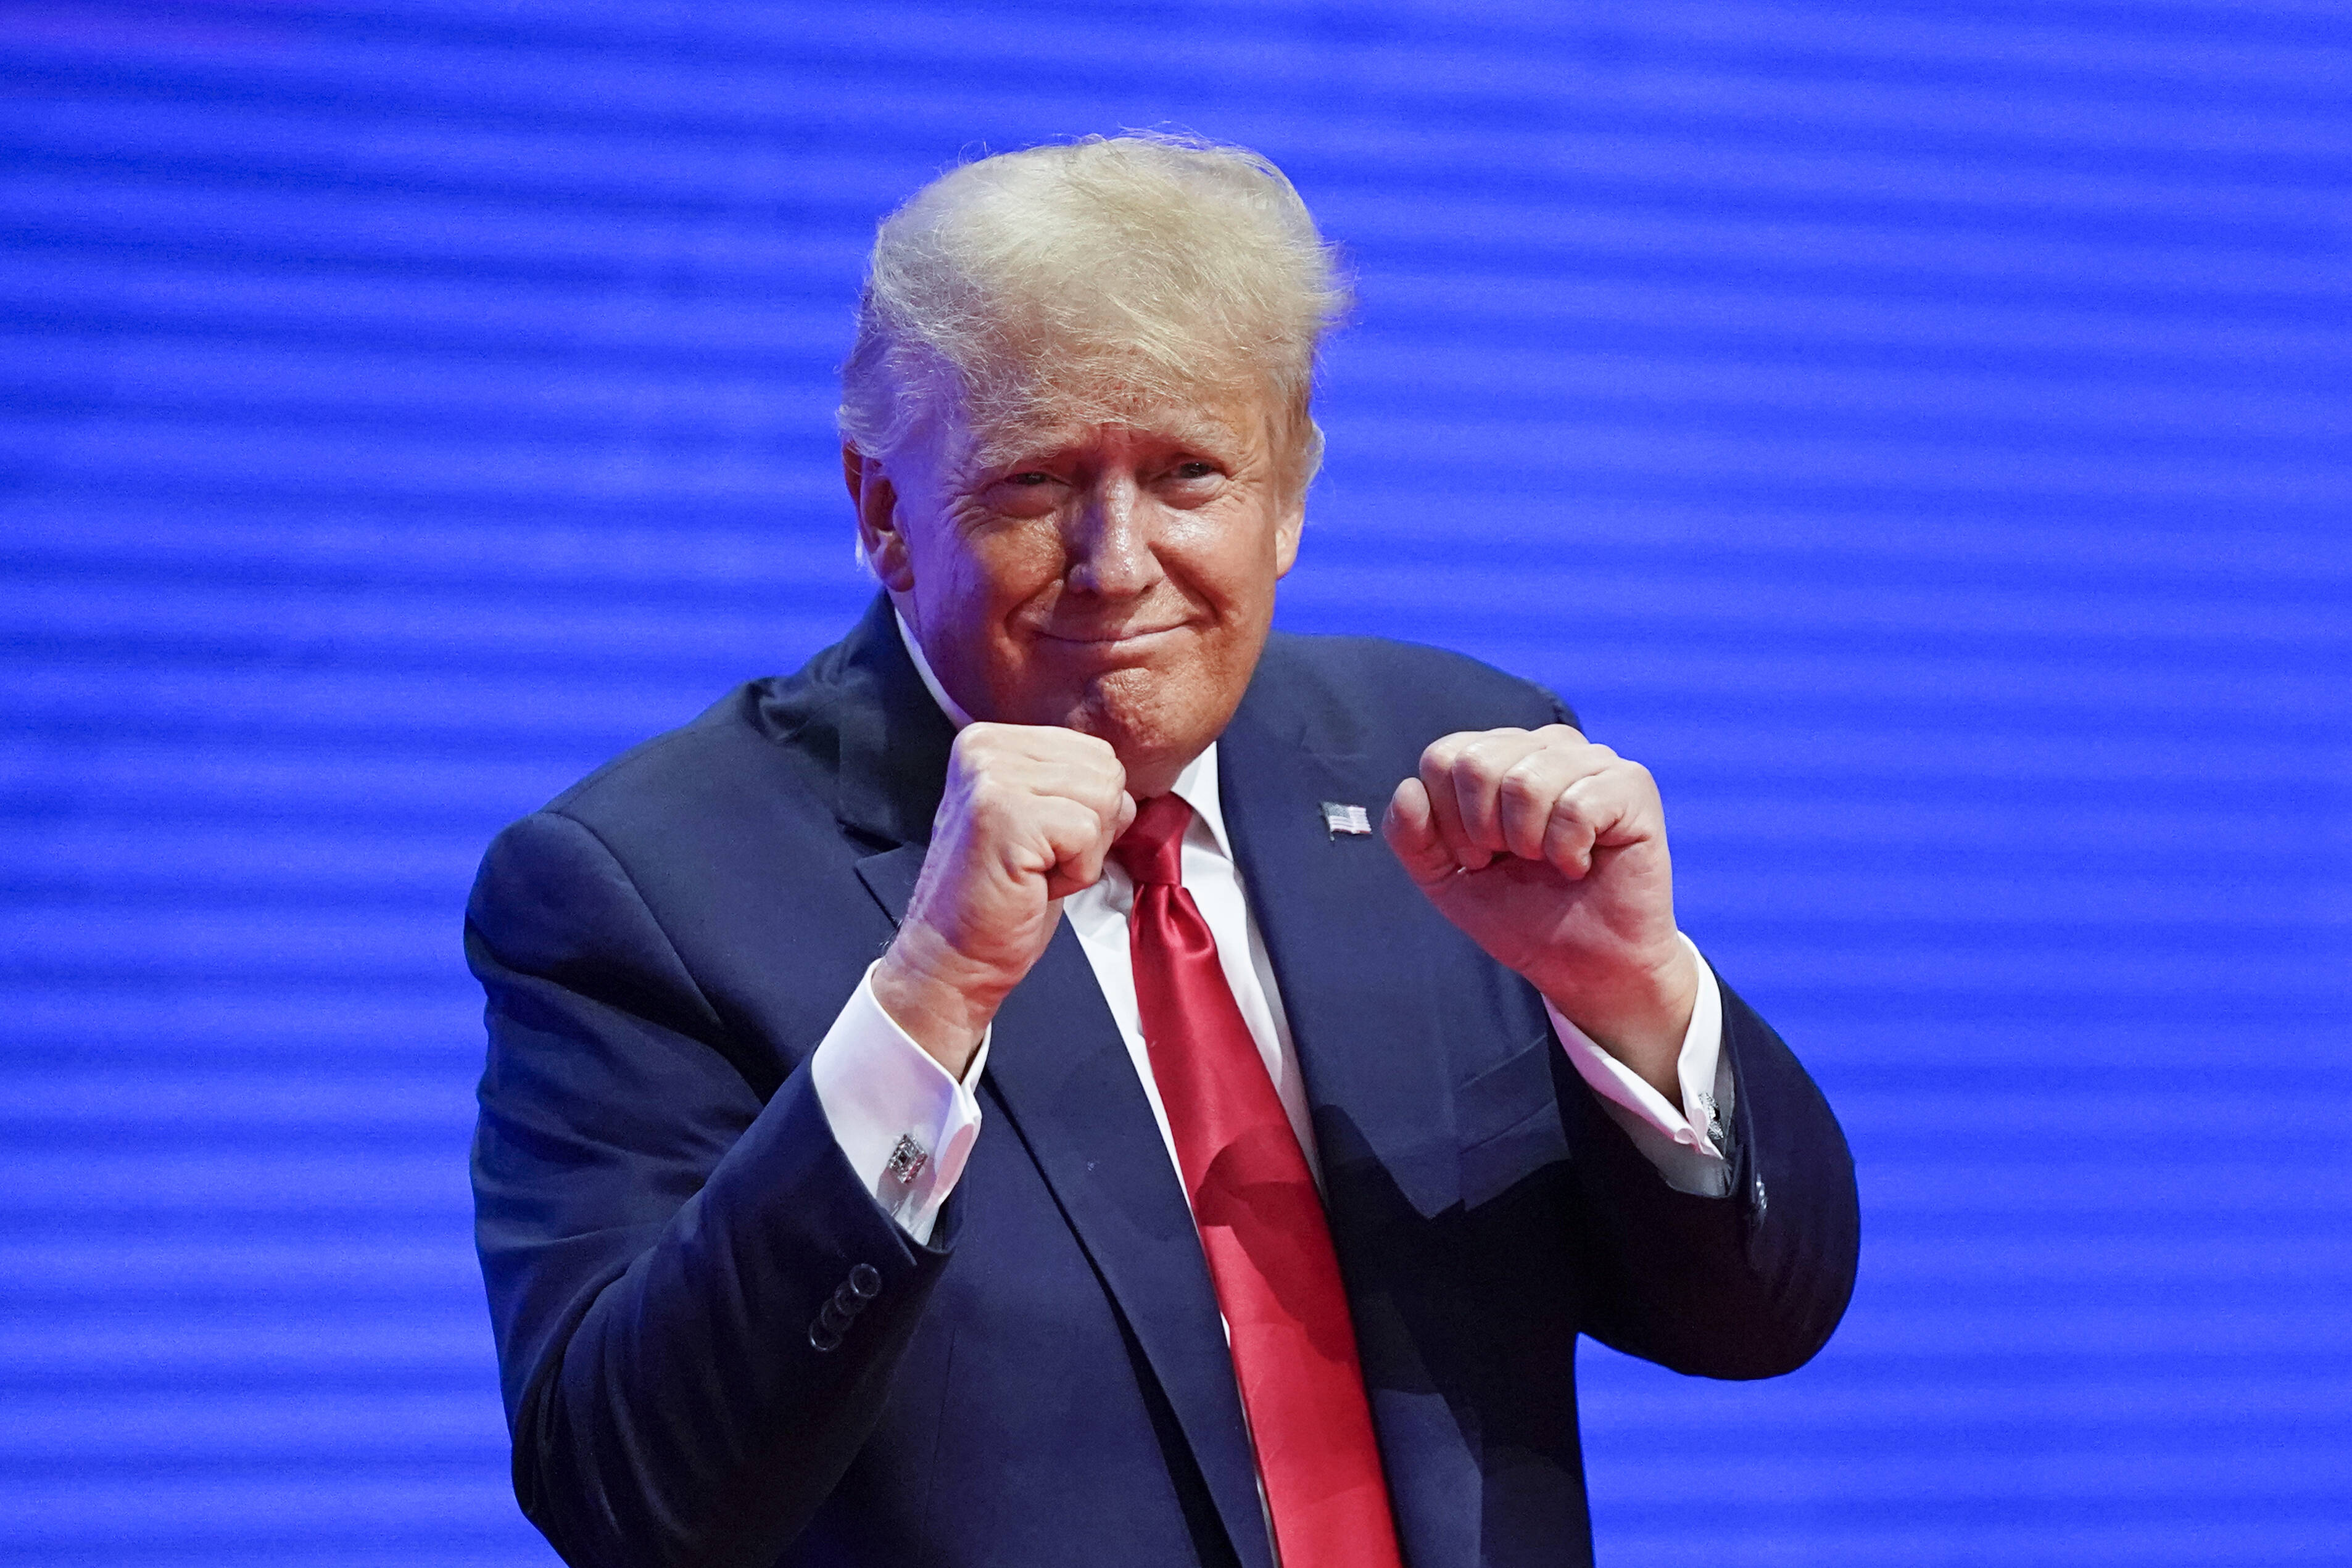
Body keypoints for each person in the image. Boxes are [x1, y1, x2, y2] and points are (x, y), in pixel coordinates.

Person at [467, 134, 1858, 1568]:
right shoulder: (643, 885)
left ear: (1290, 493)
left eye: (1190, 471)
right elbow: (631, 1493)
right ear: (883, 511)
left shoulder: (1451, 766)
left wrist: (1631, 997)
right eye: (1032, 481)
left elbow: (1760, 1315)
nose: (1117, 561)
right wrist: (930, 998)